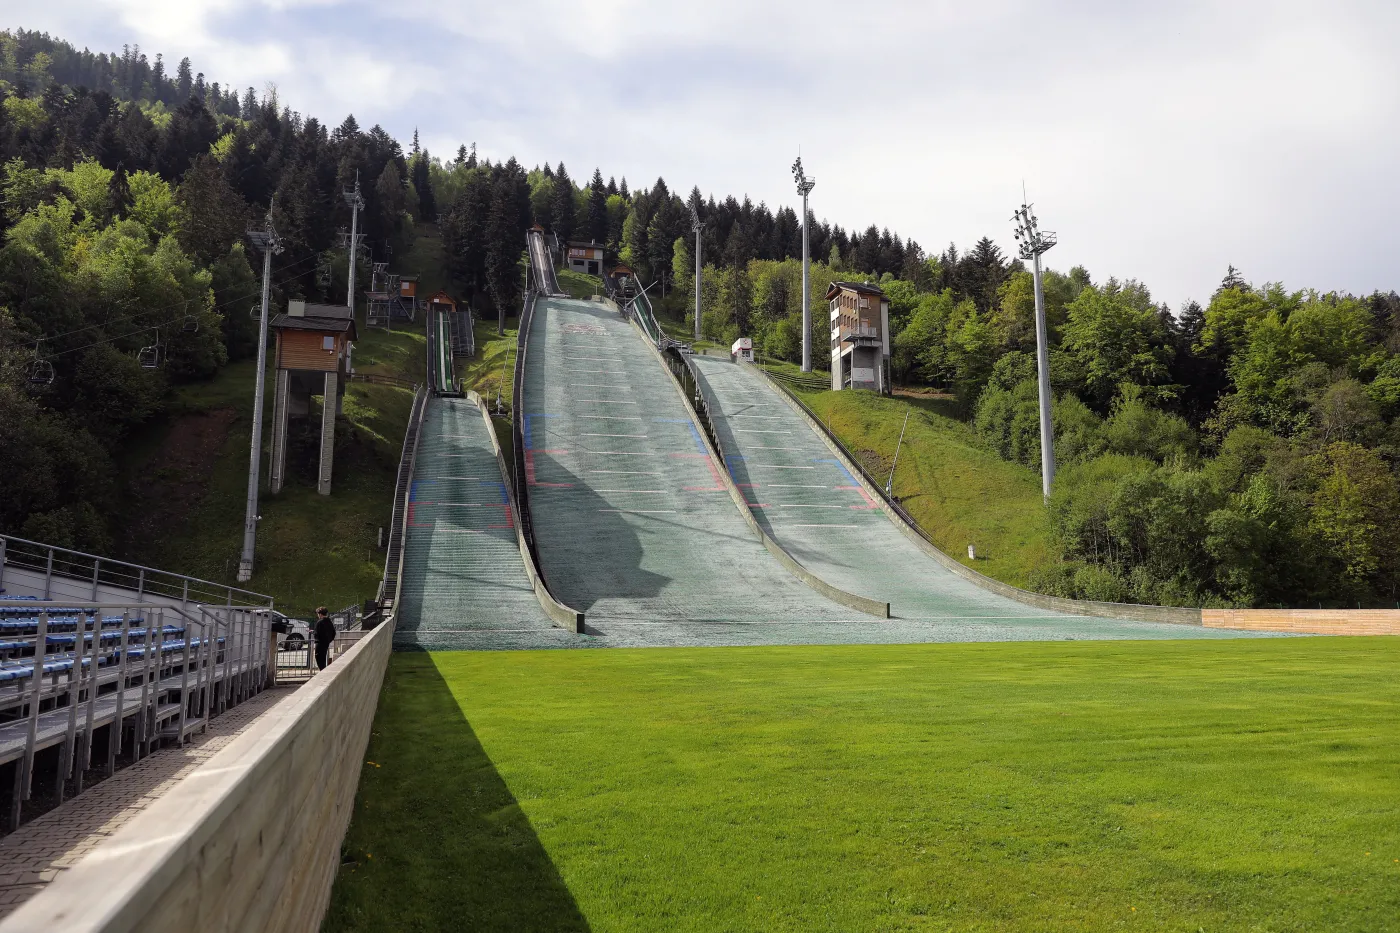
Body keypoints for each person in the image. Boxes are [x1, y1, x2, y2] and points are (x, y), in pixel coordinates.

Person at [313, 607, 336, 671]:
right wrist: (328, 640)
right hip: (326, 644)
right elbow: (333, 633)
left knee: (319, 660)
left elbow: (317, 634)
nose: (318, 615)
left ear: (320, 614)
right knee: (323, 659)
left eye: (318, 614)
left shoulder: (320, 622)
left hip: (319, 644)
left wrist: (313, 633)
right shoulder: (329, 621)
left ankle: (322, 673)